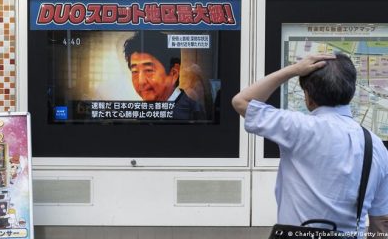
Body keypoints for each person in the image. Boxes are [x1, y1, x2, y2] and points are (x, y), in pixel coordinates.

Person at [232, 54, 388, 235]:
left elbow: (242, 101)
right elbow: (381, 222)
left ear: (307, 96)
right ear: (352, 92)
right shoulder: (376, 146)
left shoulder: (298, 127)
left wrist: (293, 70)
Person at [123, 31, 205, 120]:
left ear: (174, 73)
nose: (141, 81)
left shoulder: (194, 113)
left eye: (149, 70)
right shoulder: (139, 113)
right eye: (135, 71)